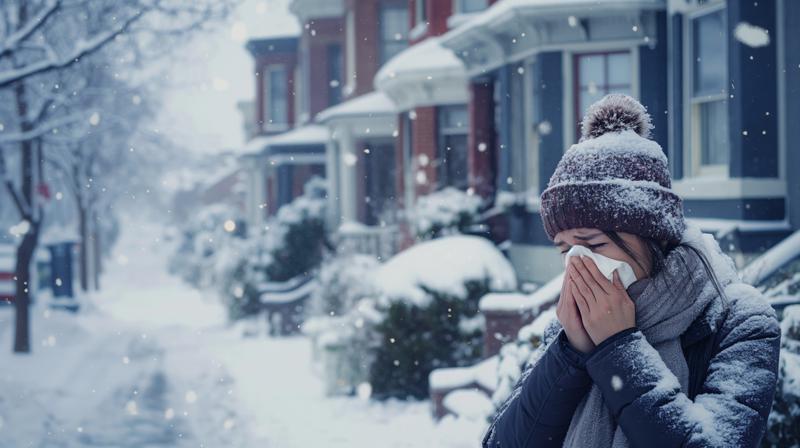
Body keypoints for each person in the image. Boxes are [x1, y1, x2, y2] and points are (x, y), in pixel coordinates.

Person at [481, 94, 781, 448]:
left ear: (654, 239)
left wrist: (617, 347)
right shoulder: (570, 328)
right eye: (564, 249)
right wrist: (571, 353)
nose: (577, 264)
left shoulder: (739, 322)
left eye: (593, 245)